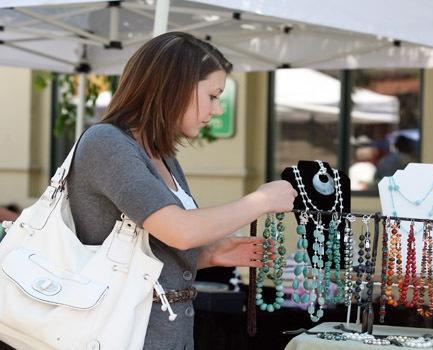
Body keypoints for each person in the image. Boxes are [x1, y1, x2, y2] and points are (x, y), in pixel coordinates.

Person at [66, 32, 297, 350]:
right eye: (213, 96)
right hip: (114, 336)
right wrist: (262, 200)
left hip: (165, 334)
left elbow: (149, 254)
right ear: (175, 87)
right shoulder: (106, 143)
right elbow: (180, 230)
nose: (217, 110)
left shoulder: (162, 155)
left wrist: (211, 254)